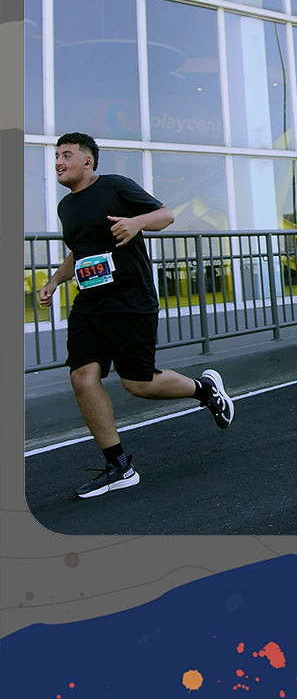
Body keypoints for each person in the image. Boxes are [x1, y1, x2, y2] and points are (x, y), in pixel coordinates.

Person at [38, 133, 234, 499]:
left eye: (66, 155)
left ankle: (205, 390)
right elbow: (79, 251)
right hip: (89, 304)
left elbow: (166, 215)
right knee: (82, 377)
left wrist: (137, 223)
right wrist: (53, 282)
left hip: (130, 299)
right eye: (57, 156)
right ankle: (119, 467)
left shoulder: (115, 186)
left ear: (87, 161)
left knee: (138, 384)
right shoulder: (67, 207)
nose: (59, 162)